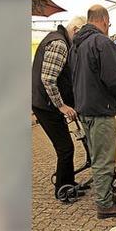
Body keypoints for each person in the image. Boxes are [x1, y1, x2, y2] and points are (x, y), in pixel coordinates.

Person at [69, 5, 116, 218]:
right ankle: (104, 204)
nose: (108, 27)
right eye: (109, 24)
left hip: (84, 108)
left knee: (97, 156)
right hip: (100, 109)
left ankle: (107, 195)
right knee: (104, 159)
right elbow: (114, 79)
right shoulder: (102, 42)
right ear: (104, 20)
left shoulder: (77, 44)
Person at [32, 23, 87, 202]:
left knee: (65, 147)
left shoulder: (58, 39)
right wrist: (61, 105)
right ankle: (62, 190)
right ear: (75, 30)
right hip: (45, 105)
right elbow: (48, 79)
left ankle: (68, 183)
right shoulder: (59, 44)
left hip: (44, 103)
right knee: (65, 148)